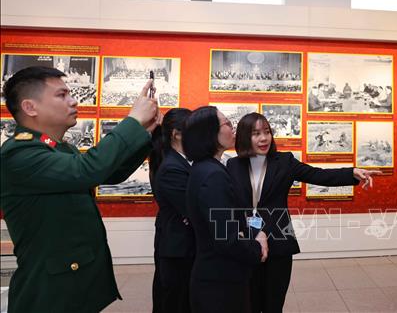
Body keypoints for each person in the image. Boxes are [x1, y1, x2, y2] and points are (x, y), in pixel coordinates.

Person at [0, 66, 159, 312]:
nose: (73, 101)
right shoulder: (20, 153)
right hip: (49, 290)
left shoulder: (57, 148)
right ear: (30, 107)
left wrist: (144, 134)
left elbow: (109, 173)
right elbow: (88, 170)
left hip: (72, 280)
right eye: (61, 95)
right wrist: (133, 121)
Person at [227, 112, 382, 313]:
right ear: (244, 136)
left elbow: (318, 175)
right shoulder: (233, 165)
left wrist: (351, 172)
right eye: (256, 134)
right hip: (247, 240)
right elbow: (233, 204)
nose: (264, 138)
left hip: (278, 239)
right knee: (249, 302)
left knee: (274, 303)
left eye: (267, 132)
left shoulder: (284, 161)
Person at [184, 106, 268, 312]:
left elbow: (236, 216)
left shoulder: (205, 168)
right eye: (228, 124)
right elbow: (227, 238)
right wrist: (257, 248)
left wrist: (256, 230)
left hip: (215, 276)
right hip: (220, 284)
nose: (233, 129)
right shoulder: (213, 175)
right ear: (210, 132)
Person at [149, 108, 194, 313]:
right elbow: (193, 208)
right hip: (178, 248)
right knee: (175, 301)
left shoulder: (179, 161)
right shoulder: (171, 167)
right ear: (177, 134)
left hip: (181, 244)